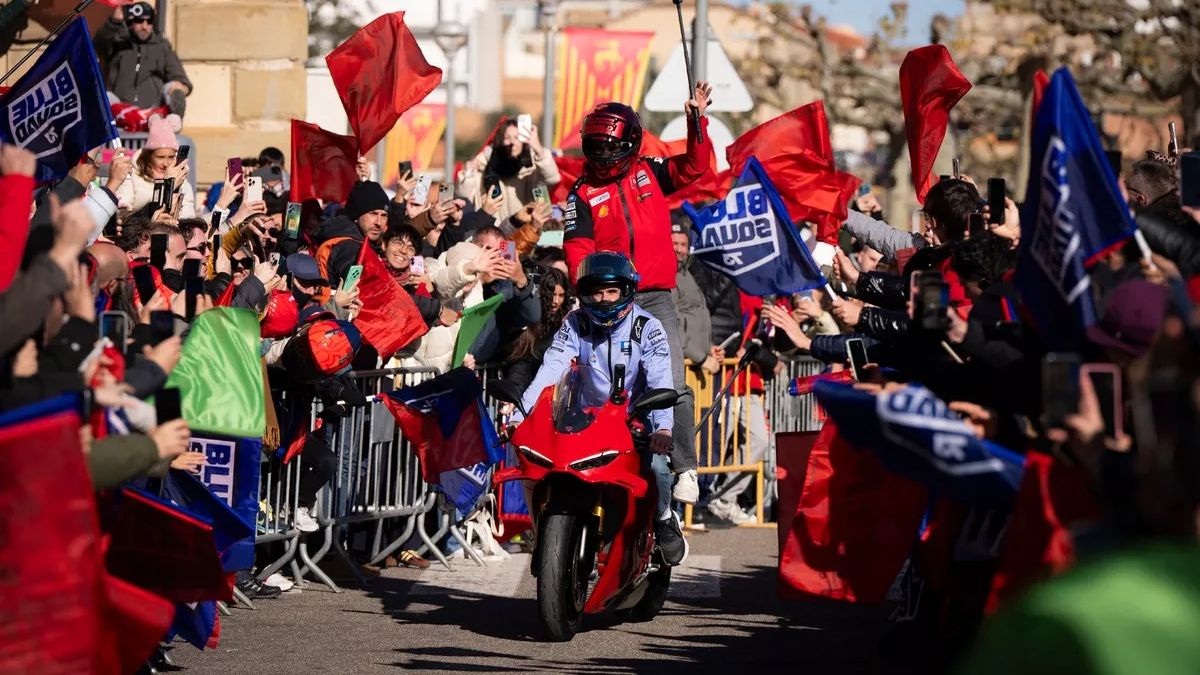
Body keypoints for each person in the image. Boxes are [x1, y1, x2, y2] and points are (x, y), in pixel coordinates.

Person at [562, 82, 716, 505]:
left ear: (629, 143)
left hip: (656, 298)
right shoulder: (581, 194)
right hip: (608, 302)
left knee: (674, 383)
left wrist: (695, 120)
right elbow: (577, 246)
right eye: (595, 147)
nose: (603, 155)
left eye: (610, 147)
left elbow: (694, 167)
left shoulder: (649, 171)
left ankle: (686, 467)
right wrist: (586, 285)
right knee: (597, 384)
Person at [515, 251, 687, 565]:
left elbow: (662, 380)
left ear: (626, 291)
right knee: (542, 465)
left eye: (611, 291)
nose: (604, 299)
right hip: (583, 419)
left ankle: (663, 520)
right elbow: (550, 369)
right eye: (596, 291)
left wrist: (662, 427)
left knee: (660, 467)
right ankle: (545, 530)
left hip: (634, 421)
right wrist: (521, 415)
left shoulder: (648, 328)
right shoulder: (575, 322)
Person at [95, 1, 192, 116]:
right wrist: (114, 22)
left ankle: (173, 120)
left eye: (149, 21)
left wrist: (180, 88)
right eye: (139, 21)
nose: (144, 26)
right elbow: (98, 46)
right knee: (106, 96)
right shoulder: (118, 41)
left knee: (172, 87)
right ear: (131, 22)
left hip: (153, 111)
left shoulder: (162, 46)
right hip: (120, 109)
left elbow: (181, 78)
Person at [458, 117, 560, 226]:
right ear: (499, 141)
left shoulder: (533, 169)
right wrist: (468, 173)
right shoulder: (483, 166)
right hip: (492, 238)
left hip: (527, 237)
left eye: (517, 137)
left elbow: (552, 178)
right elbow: (463, 196)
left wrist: (539, 149)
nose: (512, 142)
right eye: (507, 138)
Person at [115, 115, 196, 219]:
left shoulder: (183, 183)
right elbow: (123, 213)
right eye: (160, 157)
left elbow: (188, 216)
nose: (166, 163)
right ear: (149, 157)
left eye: (171, 157)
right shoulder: (131, 176)